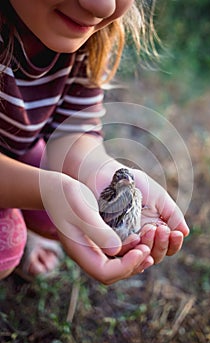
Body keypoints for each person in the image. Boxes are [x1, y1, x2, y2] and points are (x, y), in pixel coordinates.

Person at [0, 0, 189, 284]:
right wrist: (49, 191)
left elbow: (72, 131)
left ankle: (30, 223)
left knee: (85, 211)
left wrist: (96, 173)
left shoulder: (87, 36)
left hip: (18, 151)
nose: (102, 5)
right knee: (6, 246)